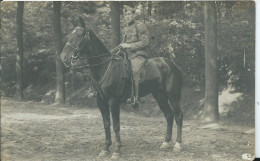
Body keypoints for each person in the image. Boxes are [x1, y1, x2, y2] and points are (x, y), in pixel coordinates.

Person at [120, 5, 150, 109]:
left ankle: (136, 98)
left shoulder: (140, 25)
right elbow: (124, 43)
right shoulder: (125, 28)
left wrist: (129, 46)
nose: (127, 16)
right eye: (125, 14)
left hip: (139, 54)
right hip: (127, 55)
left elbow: (145, 42)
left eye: (129, 14)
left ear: (133, 15)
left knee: (135, 70)